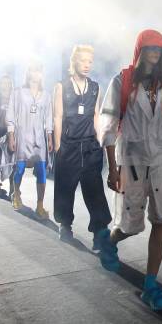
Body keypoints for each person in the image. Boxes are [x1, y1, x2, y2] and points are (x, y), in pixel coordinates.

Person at [99, 29, 162, 311]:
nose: (156, 53)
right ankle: (110, 241)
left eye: (160, 49)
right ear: (140, 50)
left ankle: (151, 285)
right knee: (129, 225)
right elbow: (108, 128)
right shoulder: (121, 82)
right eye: (151, 48)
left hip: (159, 161)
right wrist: (112, 169)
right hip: (130, 161)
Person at [52, 45, 112, 244]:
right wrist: (58, 147)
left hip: (89, 146)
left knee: (95, 190)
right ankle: (65, 225)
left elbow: (96, 115)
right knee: (65, 189)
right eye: (83, 61)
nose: (87, 65)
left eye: (90, 62)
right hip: (68, 145)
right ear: (74, 62)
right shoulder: (62, 86)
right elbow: (57, 117)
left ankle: (99, 232)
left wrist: (99, 141)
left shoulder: (95, 87)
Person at [6, 62, 53, 218]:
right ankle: (16, 194)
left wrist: (50, 136)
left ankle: (40, 205)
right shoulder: (18, 92)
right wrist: (11, 135)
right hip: (22, 135)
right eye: (33, 70)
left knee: (41, 171)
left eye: (39, 71)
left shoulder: (46, 95)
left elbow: (48, 117)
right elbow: (11, 114)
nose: (36, 74)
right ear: (28, 73)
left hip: (39, 138)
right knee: (19, 168)